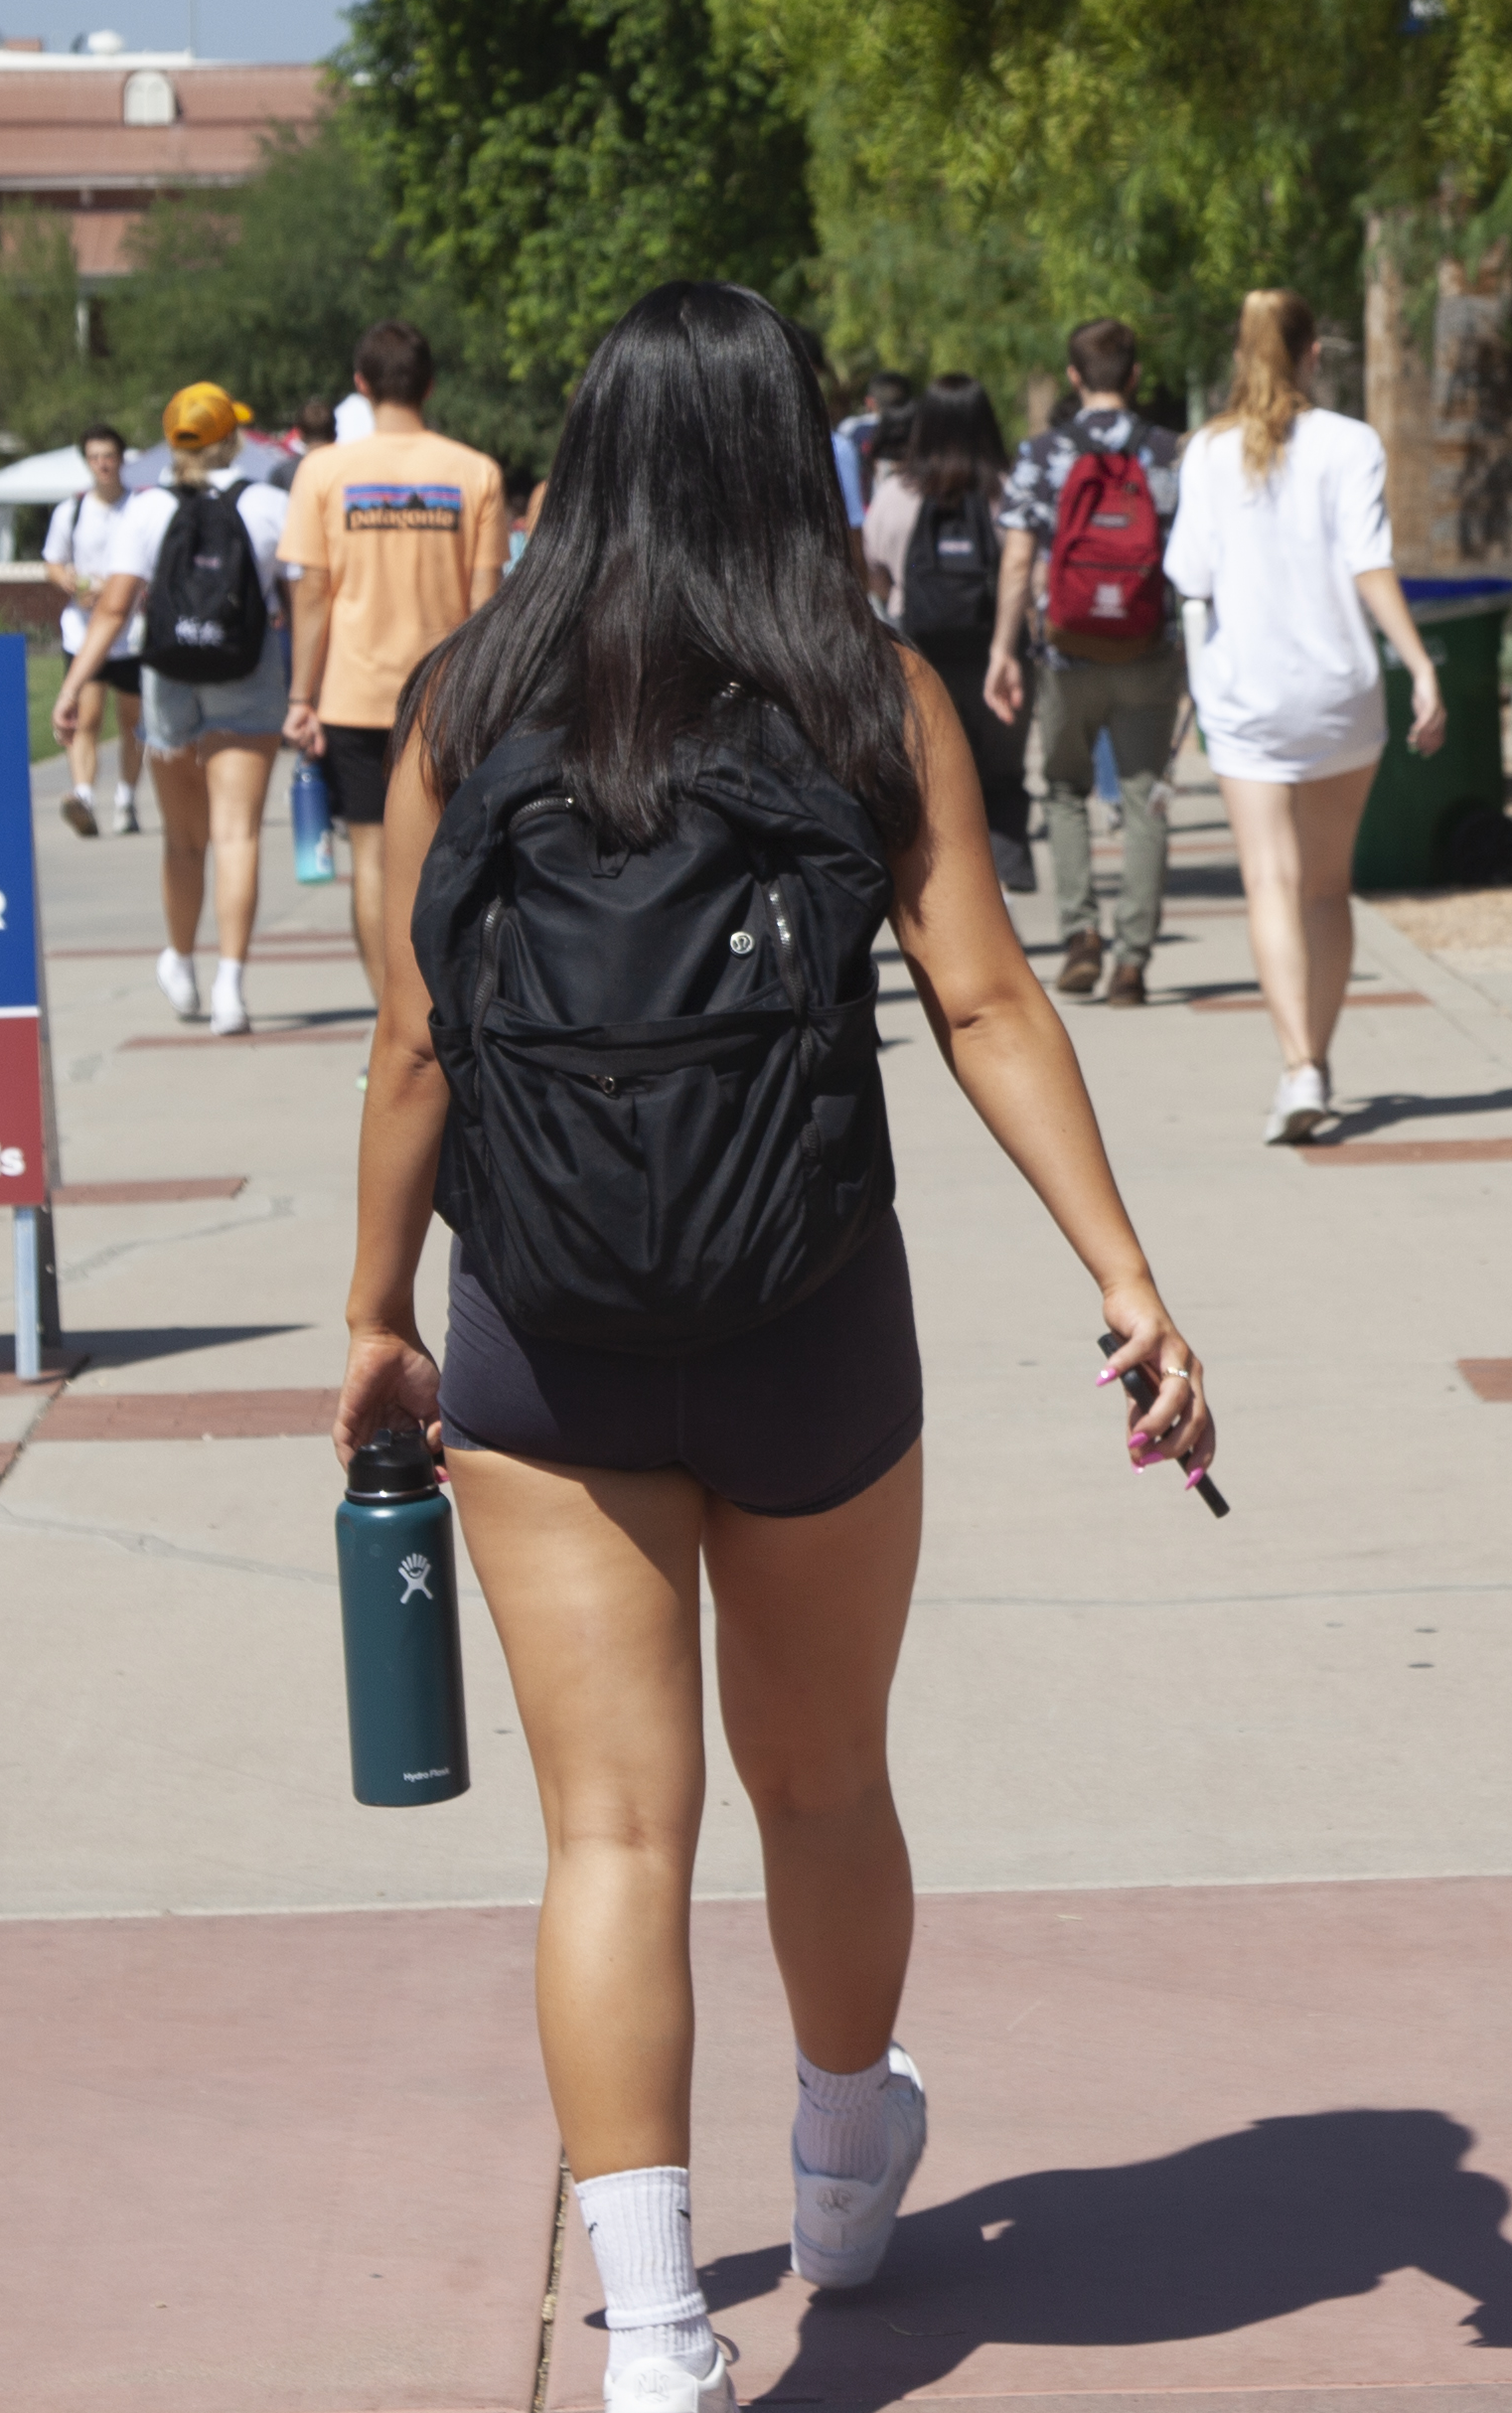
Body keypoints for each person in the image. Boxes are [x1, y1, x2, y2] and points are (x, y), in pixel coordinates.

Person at [335, 281, 1216, 2413]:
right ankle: (838, 2167)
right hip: (809, 1309)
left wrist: (371, 1311)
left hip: (544, 1324)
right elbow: (988, 1000)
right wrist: (1121, 1271)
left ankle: (652, 2327)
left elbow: (409, 1040)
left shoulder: (467, 703)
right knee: (818, 1778)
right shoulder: (864, 689)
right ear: (777, 455)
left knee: (609, 1839)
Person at [1161, 291, 1450, 1145]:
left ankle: (1298, 1069)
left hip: (1246, 692)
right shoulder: (1350, 442)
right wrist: (1422, 664)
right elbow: (1369, 562)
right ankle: (1315, 1055)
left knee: (1270, 884)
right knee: (1327, 887)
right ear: (1313, 353)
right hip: (1338, 687)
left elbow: (1191, 580)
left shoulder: (1206, 452)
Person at [284, 321, 508, 1005]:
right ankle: (444, 1014)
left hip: (353, 697)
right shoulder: (474, 472)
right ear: (429, 384)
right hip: (447, 700)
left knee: (373, 861)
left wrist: (301, 696)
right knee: (452, 858)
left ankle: (392, 1024)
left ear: (360, 385)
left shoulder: (322, 471)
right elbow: (484, 603)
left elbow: (312, 593)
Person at [62, 383, 289, 1035]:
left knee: (184, 840)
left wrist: (75, 683)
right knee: (237, 834)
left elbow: (113, 606)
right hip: (247, 673)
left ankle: (182, 963)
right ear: (231, 437)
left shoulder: (146, 509)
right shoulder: (270, 503)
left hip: (168, 679)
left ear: (171, 441)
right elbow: (303, 599)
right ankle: (231, 990)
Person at [985, 318, 1184, 1006]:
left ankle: (1079, 938)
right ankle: (1131, 962)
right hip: (1147, 651)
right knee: (1142, 799)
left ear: (1073, 377)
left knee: (1065, 791)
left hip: (1065, 652)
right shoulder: (1167, 454)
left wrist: (1001, 650)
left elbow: (1016, 559)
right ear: (1132, 377)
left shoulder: (1043, 453)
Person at [864, 375, 1035, 891]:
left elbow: (874, 568)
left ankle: (956, 886)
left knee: (935, 778)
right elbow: (1030, 567)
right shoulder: (1008, 490)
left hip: (922, 652)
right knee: (1001, 775)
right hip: (999, 653)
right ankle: (1008, 877)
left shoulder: (897, 492)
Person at [44, 424, 142, 838]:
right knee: (86, 716)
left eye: (109, 455)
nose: (103, 463)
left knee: (132, 721)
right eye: (95, 456)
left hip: (133, 631)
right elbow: (53, 562)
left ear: (121, 459)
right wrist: (70, 582)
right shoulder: (72, 510)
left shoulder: (139, 507)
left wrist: (124, 589)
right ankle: (83, 795)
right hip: (83, 630)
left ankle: (127, 799)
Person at [832, 367, 910, 516]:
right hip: (905, 513)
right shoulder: (916, 428)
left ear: (869, 402)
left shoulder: (851, 429)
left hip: (862, 514)